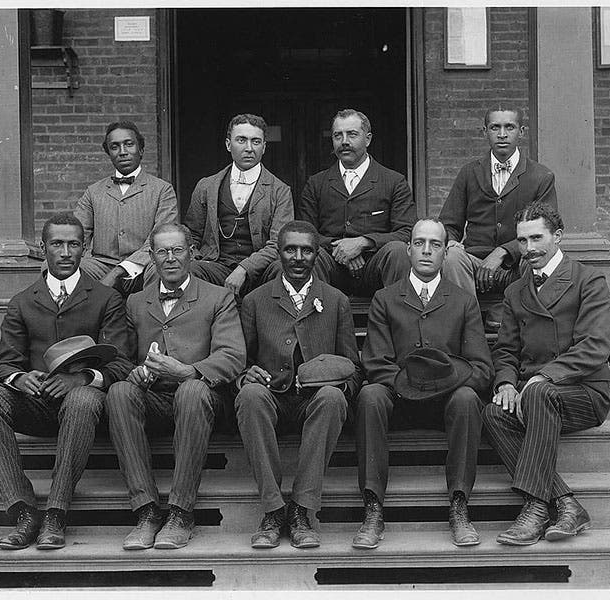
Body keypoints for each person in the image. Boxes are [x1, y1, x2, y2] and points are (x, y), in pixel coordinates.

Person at [0, 213, 133, 550]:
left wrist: (82, 379)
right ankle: (24, 511)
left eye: (73, 244)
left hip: (84, 410)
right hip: (37, 404)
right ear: (43, 248)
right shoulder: (23, 301)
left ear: (84, 249)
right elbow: (1, 367)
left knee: (84, 399)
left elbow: (123, 363)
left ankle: (56, 512)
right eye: (57, 244)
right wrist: (20, 378)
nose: (65, 252)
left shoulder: (106, 298)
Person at [352, 218, 493, 549]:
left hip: (447, 405)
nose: (426, 250)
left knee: (468, 398)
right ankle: (373, 508)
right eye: (419, 243)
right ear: (408, 249)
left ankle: (459, 504)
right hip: (398, 401)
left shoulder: (462, 300)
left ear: (446, 252)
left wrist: (439, 382)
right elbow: (375, 363)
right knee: (370, 395)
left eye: (435, 244)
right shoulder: (385, 298)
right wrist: (411, 383)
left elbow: (482, 368)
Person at [105, 223, 246, 550]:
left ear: (191, 253)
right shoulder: (136, 302)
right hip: (154, 399)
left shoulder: (218, 297)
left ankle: (181, 512)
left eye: (177, 250)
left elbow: (233, 354)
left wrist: (188, 370)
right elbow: (120, 358)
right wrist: (135, 374)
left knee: (192, 390)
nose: (170, 258)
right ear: (151, 257)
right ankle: (146, 510)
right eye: (162, 252)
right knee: (119, 392)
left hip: (203, 398)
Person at [482, 201, 610, 546]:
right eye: (522, 241)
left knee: (539, 392)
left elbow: (594, 347)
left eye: (537, 238)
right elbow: (506, 350)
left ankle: (536, 509)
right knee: (495, 412)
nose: (529, 249)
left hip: (583, 393)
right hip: (536, 395)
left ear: (558, 236)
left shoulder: (588, 279)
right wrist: (507, 383)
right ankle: (566, 504)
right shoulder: (515, 291)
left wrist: (543, 376)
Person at [235, 220, 362, 549]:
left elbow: (355, 368)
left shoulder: (335, 300)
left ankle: (302, 510)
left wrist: (337, 382)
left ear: (317, 255)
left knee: (334, 397)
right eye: (290, 249)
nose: (298, 257)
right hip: (272, 396)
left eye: (307, 250)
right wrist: (244, 374)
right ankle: (274, 510)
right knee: (249, 395)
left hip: (314, 399)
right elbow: (240, 360)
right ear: (279, 254)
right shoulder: (256, 300)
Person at [439, 107, 557, 325]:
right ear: (485, 131)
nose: (502, 134)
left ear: (521, 131)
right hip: (474, 263)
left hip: (518, 264)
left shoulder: (541, 176)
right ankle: (467, 322)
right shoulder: (469, 172)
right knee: (452, 258)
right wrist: (452, 242)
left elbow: (545, 227)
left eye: (509, 127)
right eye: (495, 127)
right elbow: (449, 223)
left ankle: (511, 312)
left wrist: (503, 251)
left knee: (538, 252)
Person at [295, 108, 416, 296]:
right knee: (309, 255)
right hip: (331, 266)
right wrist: (341, 247)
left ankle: (399, 318)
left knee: (399, 251)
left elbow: (407, 232)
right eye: (338, 136)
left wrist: (363, 242)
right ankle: (315, 321)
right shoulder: (316, 183)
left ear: (367, 139)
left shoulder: (394, 181)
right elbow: (305, 232)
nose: (344, 142)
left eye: (352, 135)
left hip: (375, 266)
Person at [185, 114, 293, 296]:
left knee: (282, 269)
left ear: (264, 147)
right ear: (228, 144)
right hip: (216, 267)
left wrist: (244, 268)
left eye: (256, 142)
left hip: (261, 272)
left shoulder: (279, 191)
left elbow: (278, 243)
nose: (249, 148)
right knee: (191, 270)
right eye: (241, 140)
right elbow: (192, 235)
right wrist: (198, 258)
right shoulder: (206, 186)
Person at [74, 120, 179, 293]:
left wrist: (121, 269)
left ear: (141, 150)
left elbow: (161, 238)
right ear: (109, 153)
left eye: (129, 144)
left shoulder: (162, 190)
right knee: (55, 266)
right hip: (102, 265)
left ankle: (152, 317)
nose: (122, 152)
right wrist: (82, 257)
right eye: (115, 147)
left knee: (161, 270)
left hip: (144, 267)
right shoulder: (94, 192)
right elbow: (77, 235)